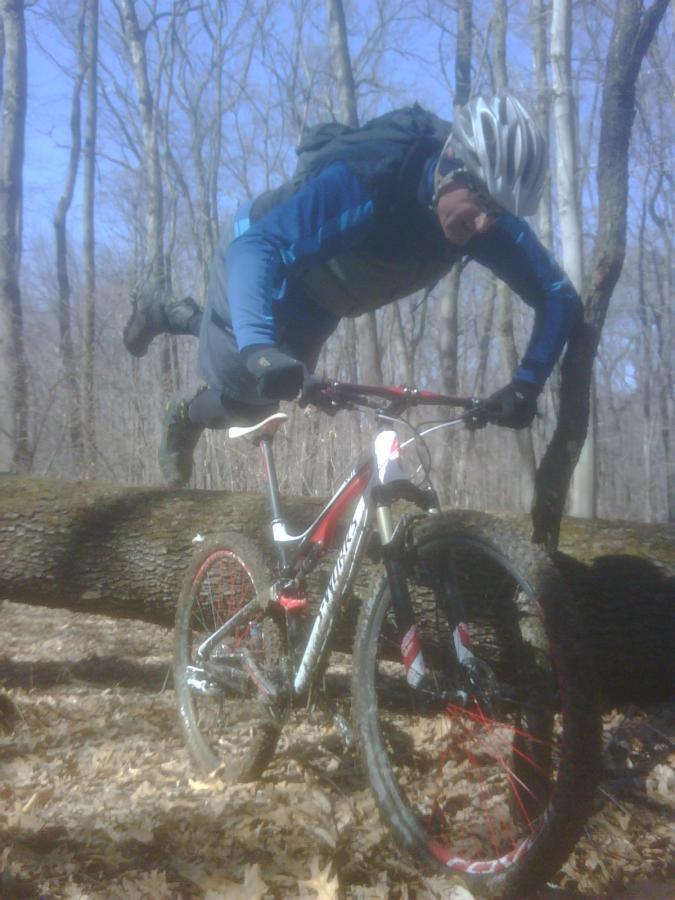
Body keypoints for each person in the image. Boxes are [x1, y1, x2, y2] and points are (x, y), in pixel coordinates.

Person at [123, 94, 582, 487]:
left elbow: (559, 296)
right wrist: (259, 347)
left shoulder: (485, 224)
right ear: (449, 165)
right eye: (480, 201)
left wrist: (526, 384)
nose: (485, 224)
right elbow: (258, 246)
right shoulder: (373, 176)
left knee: (263, 396)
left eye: (499, 212)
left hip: (321, 303)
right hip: (262, 260)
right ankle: (181, 413)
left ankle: (172, 311)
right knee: (249, 394)